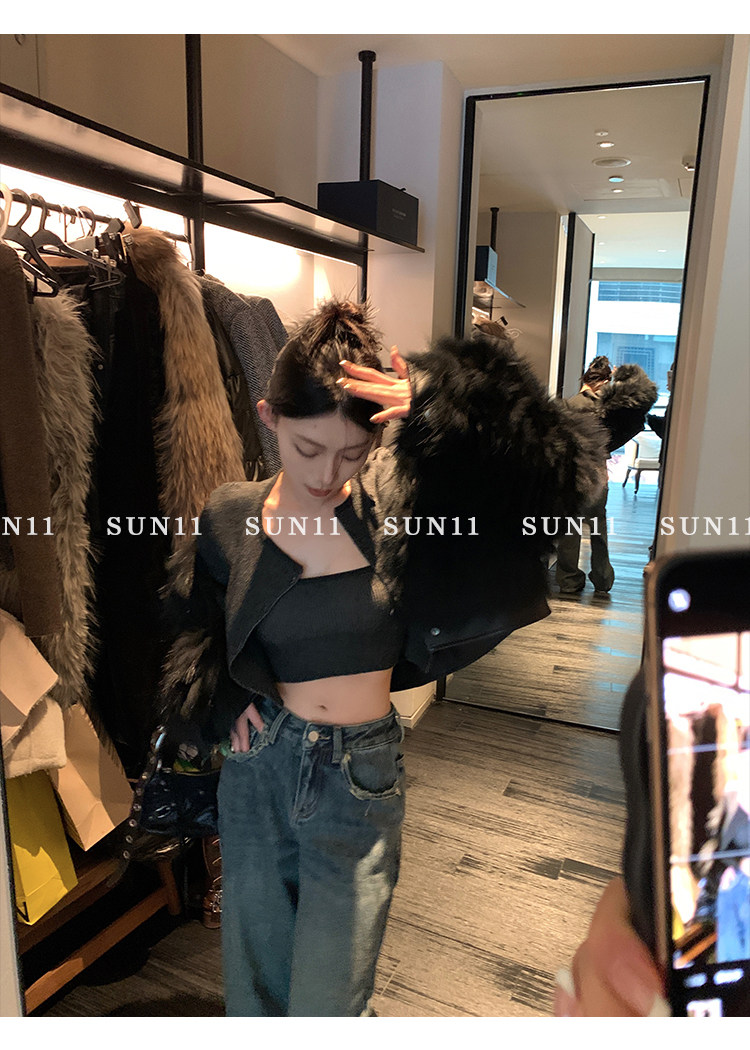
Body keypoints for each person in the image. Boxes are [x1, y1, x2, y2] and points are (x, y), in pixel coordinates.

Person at [159, 300, 606, 1017]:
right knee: (254, 990)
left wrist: (443, 401)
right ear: (268, 417)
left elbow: (566, 481)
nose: (327, 472)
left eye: (352, 452)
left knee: (331, 1002)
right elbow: (201, 618)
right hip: (257, 773)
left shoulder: (400, 516)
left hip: (357, 777)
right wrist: (220, 698)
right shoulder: (230, 513)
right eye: (307, 448)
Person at [555, 356, 615, 596]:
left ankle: (569, 580)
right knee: (599, 528)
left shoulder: (568, 405)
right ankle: (603, 578)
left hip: (573, 473)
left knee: (570, 530)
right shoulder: (608, 410)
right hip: (598, 474)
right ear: (605, 381)